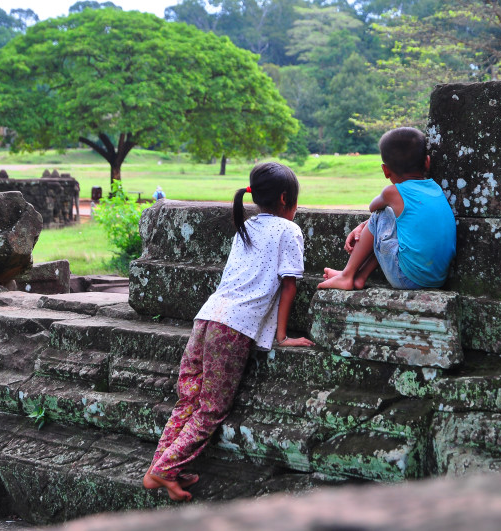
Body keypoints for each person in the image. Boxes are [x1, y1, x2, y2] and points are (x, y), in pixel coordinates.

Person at [143, 162, 314, 502]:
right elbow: (289, 285)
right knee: (211, 409)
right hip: (234, 328)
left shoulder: (247, 226)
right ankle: (165, 470)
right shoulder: (288, 230)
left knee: (189, 398)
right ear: (285, 199)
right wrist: (281, 336)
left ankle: (160, 468)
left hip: (206, 318)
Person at [317, 127, 456, 291]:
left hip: (406, 278)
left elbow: (373, 208)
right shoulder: (436, 189)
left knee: (382, 213)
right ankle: (359, 277)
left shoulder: (392, 192)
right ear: (427, 162)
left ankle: (347, 275)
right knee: (397, 220)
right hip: (437, 279)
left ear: (385, 170)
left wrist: (362, 226)